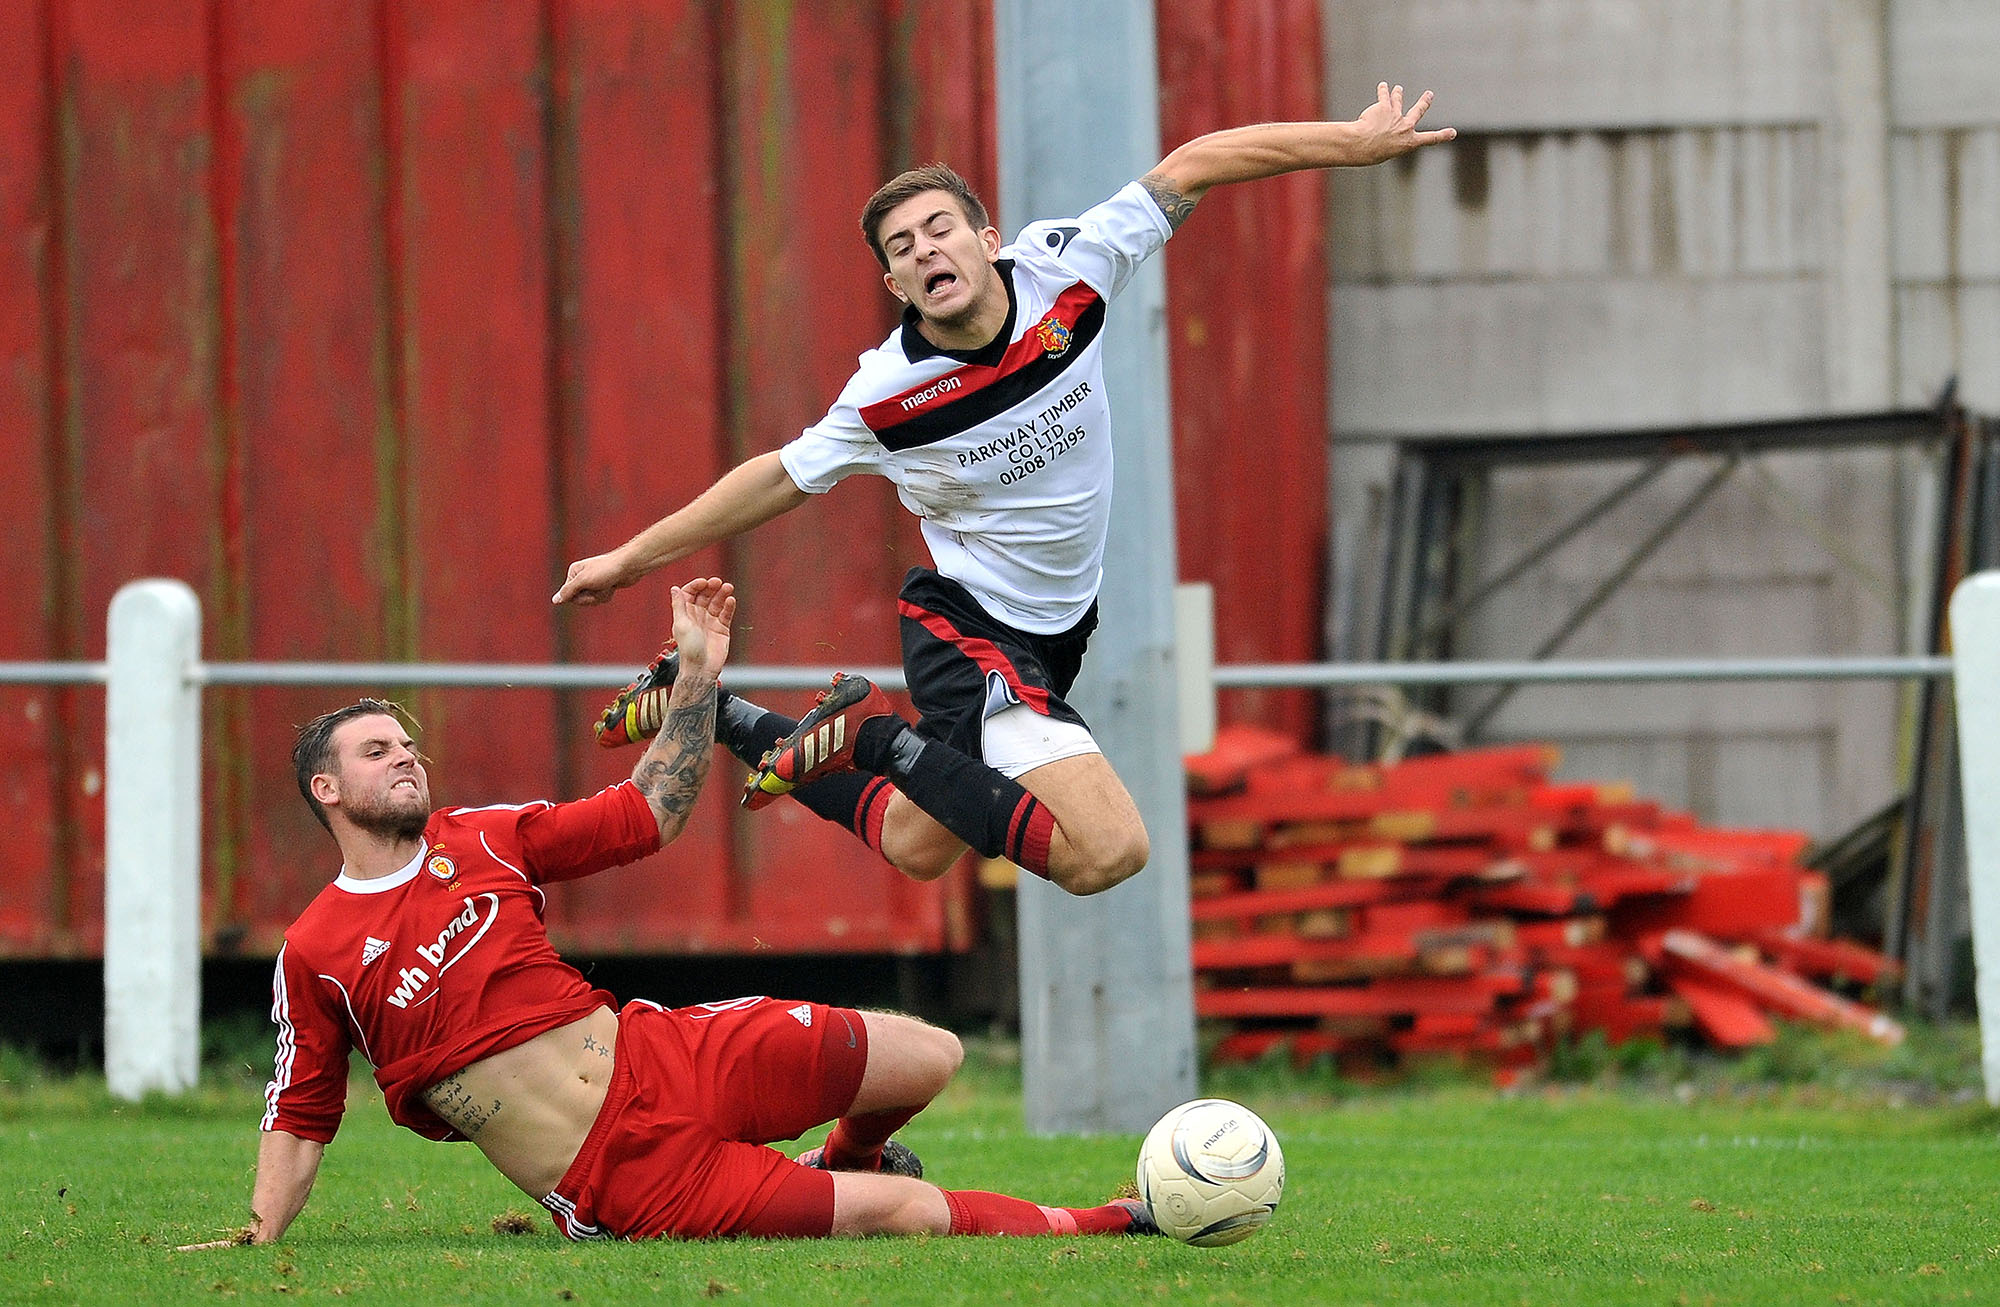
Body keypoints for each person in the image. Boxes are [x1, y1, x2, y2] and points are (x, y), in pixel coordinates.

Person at [556, 85, 1457, 898]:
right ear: (894, 283)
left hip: (1054, 635)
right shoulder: (886, 392)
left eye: (940, 229)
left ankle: (706, 699)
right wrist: (631, 557)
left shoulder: (1070, 272)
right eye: (902, 248)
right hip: (970, 630)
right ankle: (867, 726)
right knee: (1108, 851)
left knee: (914, 844)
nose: (925, 251)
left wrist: (1353, 142)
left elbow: (1194, 165)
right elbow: (778, 478)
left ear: (989, 241)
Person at [232, 578, 1157, 1243]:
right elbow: (300, 1107)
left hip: (661, 1054)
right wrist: (261, 1233)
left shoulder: (481, 835)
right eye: (374, 751)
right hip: (625, 1177)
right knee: (910, 1214)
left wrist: (700, 680)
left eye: (407, 743)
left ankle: (846, 1161)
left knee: (930, 1056)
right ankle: (1122, 1219)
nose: (404, 757)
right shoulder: (317, 948)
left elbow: (647, 814)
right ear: (326, 788)